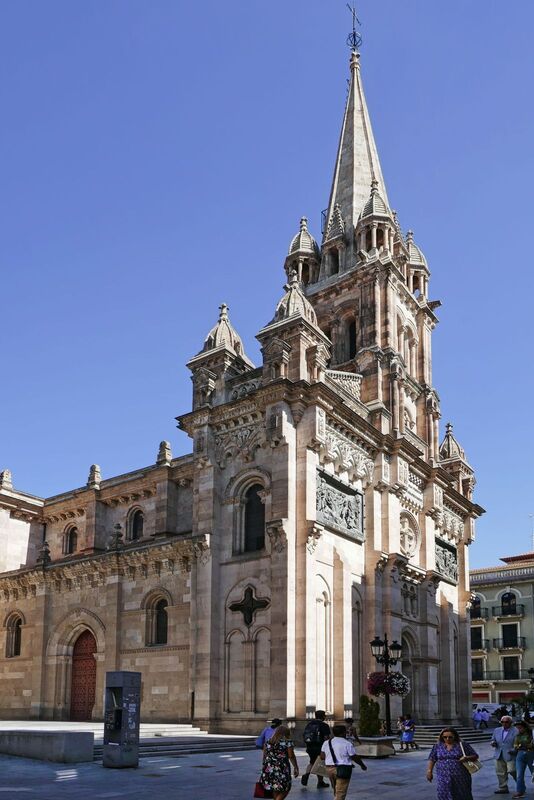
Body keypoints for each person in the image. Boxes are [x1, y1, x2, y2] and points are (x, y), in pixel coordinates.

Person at [426, 727, 480, 800]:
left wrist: (466, 758)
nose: (447, 739)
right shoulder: (437, 746)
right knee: (443, 793)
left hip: (460, 776)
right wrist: (429, 771)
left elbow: (475, 756)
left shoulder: (462, 744)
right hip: (443, 776)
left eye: (450, 737)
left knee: (462, 793)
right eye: (445, 737)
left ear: (455, 736)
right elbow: (432, 758)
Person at [320, 724, 367, 800]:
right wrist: (362, 765)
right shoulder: (347, 743)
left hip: (329, 769)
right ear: (343, 733)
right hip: (343, 769)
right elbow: (354, 756)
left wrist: (331, 757)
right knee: (340, 793)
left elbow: (322, 756)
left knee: (336, 789)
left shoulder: (326, 743)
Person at [259, 724, 299, 800]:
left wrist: (264, 766)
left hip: (269, 767)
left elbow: (264, 755)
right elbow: (291, 756)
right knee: (286, 788)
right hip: (282, 767)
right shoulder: (288, 742)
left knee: (275, 787)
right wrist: (296, 766)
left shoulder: (268, 742)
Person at [301, 710, 331, 789]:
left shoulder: (309, 724)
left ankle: (307, 773)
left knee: (311, 762)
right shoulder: (324, 725)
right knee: (320, 764)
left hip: (310, 746)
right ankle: (320, 782)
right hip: (320, 747)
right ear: (323, 716)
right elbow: (326, 738)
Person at [491, 714, 517, 794]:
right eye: (502, 722)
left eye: (506, 722)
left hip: (511, 754)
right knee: (500, 772)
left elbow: (518, 742)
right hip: (499, 754)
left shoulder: (516, 730)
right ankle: (503, 788)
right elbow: (493, 739)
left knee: (512, 770)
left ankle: (520, 784)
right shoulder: (497, 730)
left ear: (511, 722)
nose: (504, 723)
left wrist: (514, 749)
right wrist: (493, 743)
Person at [511, 719, 534, 799]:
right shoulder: (517, 735)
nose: (518, 729)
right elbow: (515, 745)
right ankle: (520, 791)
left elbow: (531, 745)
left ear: (525, 727)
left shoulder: (531, 734)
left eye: (520, 728)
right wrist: (520, 746)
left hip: (531, 754)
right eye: (517, 728)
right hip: (520, 754)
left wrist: (522, 745)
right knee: (519, 774)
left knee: (533, 773)